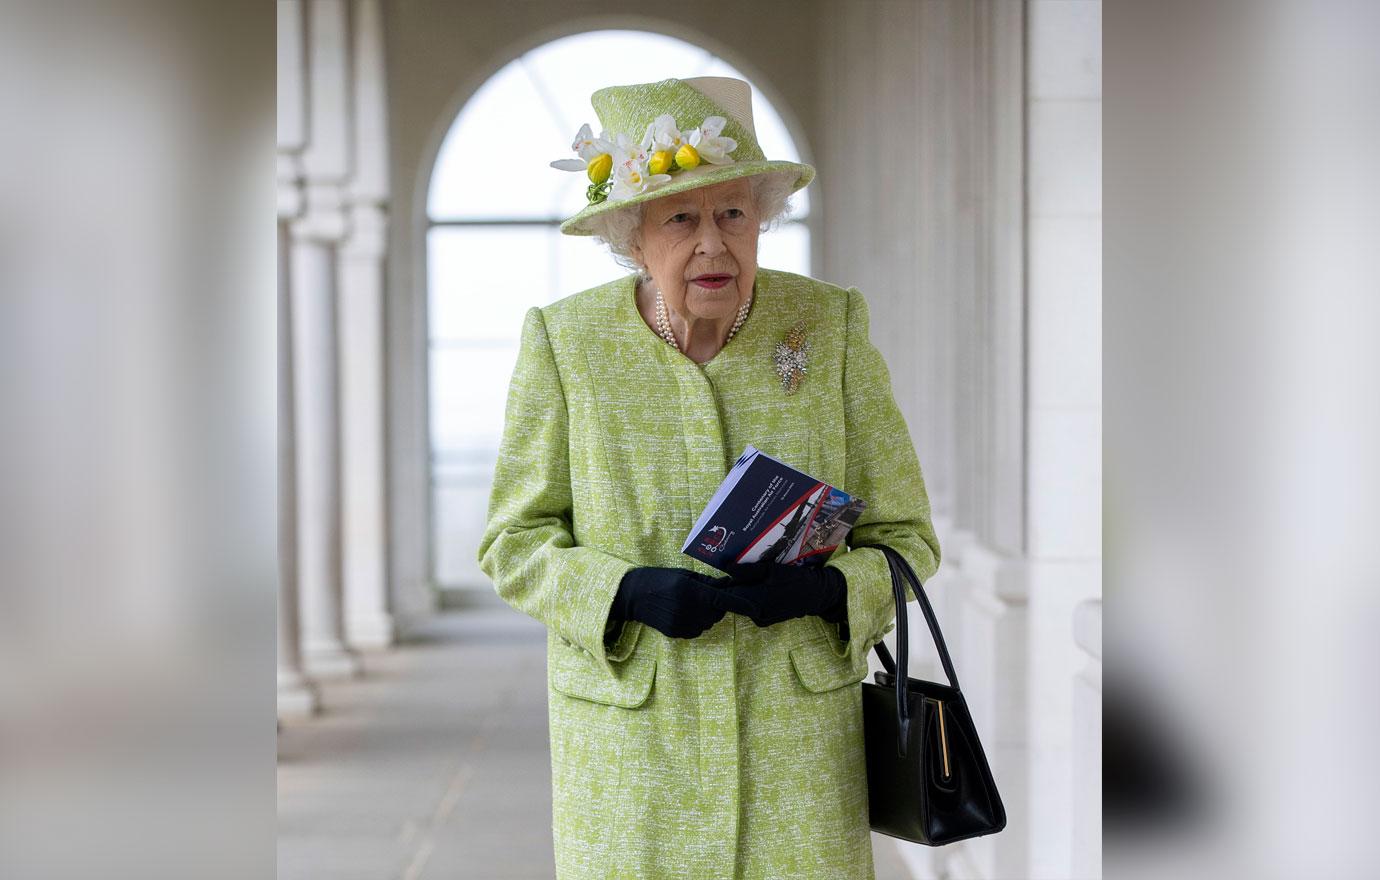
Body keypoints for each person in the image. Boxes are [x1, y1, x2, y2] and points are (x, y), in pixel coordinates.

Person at [476, 76, 941, 880]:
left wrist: (831, 592)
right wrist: (621, 593)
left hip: (798, 753)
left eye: (733, 214)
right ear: (632, 235)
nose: (713, 245)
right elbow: (512, 542)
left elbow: (908, 542)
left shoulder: (828, 328)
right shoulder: (567, 342)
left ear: (761, 219)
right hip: (630, 756)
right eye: (682, 218)